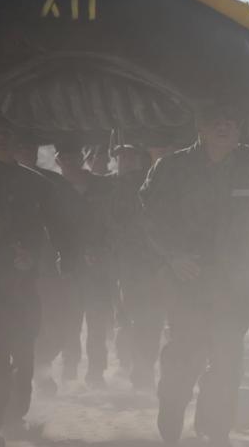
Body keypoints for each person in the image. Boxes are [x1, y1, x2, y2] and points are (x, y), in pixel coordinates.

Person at [139, 111, 249, 446]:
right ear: (199, 128)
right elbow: (151, 217)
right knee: (186, 355)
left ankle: (215, 430)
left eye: (232, 121)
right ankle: (171, 415)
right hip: (188, 279)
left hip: (235, 281)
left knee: (227, 357)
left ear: (240, 128)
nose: (225, 126)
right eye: (215, 121)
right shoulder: (172, 168)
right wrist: (173, 255)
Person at [0, 120, 77, 444]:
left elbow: (60, 224)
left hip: (14, 287)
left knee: (2, 358)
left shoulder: (35, 183)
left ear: (16, 141)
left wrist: (62, 257)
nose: (2, 139)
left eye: (8, 135)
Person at [12, 136, 83, 396]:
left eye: (28, 145)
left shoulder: (53, 183)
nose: (24, 149)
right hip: (4, 265)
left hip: (49, 266)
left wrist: (70, 257)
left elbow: (73, 222)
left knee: (55, 319)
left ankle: (41, 364)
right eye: (19, 145)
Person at [54, 143, 117, 388]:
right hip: (66, 265)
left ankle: (96, 373)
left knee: (97, 321)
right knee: (69, 321)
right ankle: (69, 370)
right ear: (57, 160)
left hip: (99, 265)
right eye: (64, 156)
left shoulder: (103, 185)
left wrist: (104, 249)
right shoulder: (51, 186)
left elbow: (113, 221)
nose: (69, 160)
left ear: (83, 157)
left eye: (74, 155)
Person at [108, 144, 165, 390]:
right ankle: (139, 368)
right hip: (132, 263)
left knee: (153, 319)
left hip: (161, 261)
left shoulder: (165, 183)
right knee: (137, 317)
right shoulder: (120, 186)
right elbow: (107, 219)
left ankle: (145, 366)